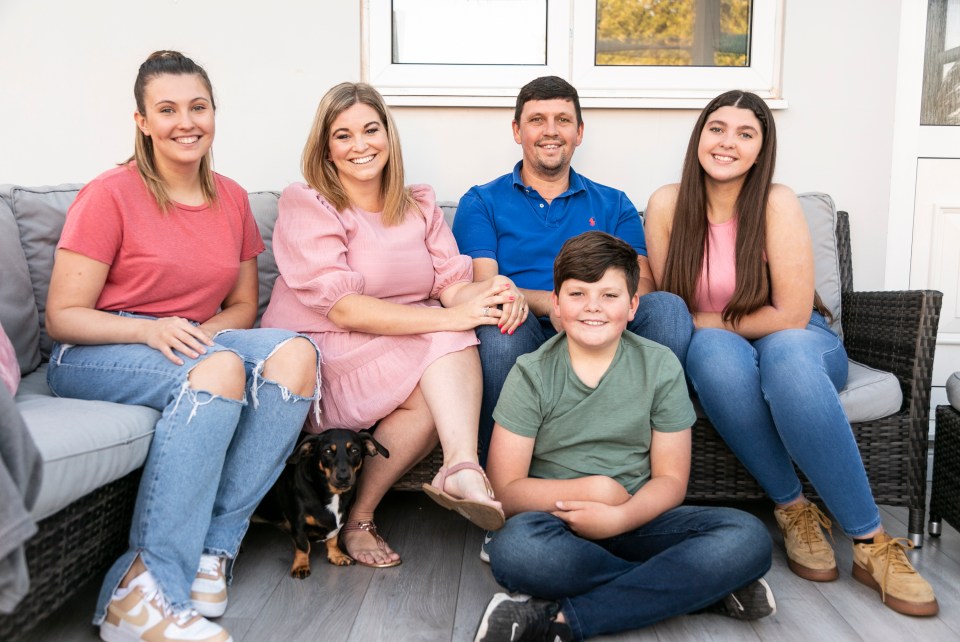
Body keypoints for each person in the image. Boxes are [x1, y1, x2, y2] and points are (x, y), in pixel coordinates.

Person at [44, 51, 320, 642]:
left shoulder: (231, 197)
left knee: (296, 355)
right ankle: (139, 593)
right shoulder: (110, 194)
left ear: (214, 113)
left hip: (192, 341)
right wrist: (149, 328)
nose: (185, 121)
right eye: (166, 109)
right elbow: (63, 318)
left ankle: (209, 554)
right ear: (142, 120)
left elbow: (244, 306)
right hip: (99, 349)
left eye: (197, 107)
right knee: (219, 371)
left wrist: (201, 336)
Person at [644, 90, 938, 617]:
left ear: (761, 149)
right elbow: (671, 308)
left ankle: (871, 543)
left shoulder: (777, 201)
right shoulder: (667, 204)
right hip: (723, 347)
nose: (727, 142)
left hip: (805, 341)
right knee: (709, 353)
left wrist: (706, 321)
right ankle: (794, 509)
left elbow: (791, 314)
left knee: (785, 359)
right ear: (699, 138)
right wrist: (707, 328)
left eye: (745, 133)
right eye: (717, 128)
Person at [474, 231, 775, 642]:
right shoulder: (531, 373)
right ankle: (698, 591)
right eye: (578, 294)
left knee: (749, 538)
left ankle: (563, 621)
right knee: (516, 552)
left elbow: (671, 480)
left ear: (633, 305)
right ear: (557, 305)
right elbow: (506, 491)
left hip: (640, 516)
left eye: (609, 296)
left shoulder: (660, 365)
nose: (593, 307)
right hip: (559, 523)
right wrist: (594, 490)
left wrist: (619, 517)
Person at [262, 82, 512, 568]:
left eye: (371, 129)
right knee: (448, 332)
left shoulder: (417, 204)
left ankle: (360, 518)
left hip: (397, 344)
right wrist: (448, 317)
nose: (360, 145)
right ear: (326, 149)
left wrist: (492, 294)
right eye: (343, 135)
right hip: (323, 355)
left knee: (444, 358)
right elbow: (344, 309)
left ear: (389, 137)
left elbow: (450, 284)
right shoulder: (309, 202)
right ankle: (462, 468)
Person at [452, 76, 692, 464]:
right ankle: (496, 475)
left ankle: (644, 458)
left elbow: (642, 282)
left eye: (563, 120)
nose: (551, 131)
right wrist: (555, 306)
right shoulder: (481, 201)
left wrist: (590, 309)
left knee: (668, 309)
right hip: (525, 325)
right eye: (537, 120)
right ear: (517, 130)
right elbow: (486, 286)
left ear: (579, 132)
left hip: (604, 324)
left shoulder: (614, 203)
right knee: (498, 328)